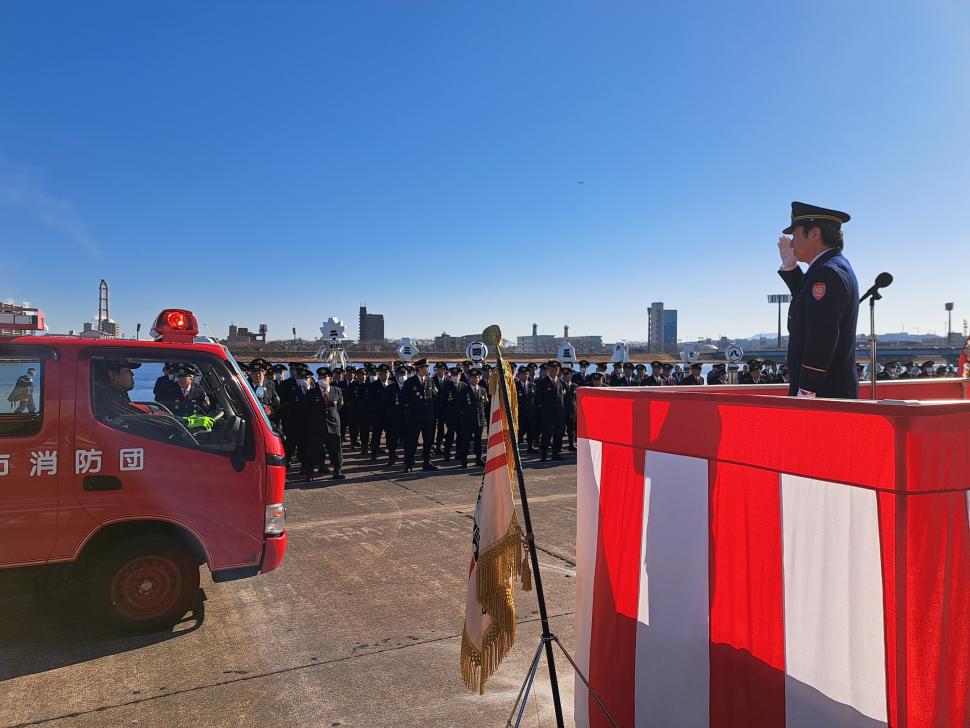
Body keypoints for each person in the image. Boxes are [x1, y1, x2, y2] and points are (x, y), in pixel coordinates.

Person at [777, 201, 859, 398]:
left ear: (814, 234)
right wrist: (790, 268)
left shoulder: (825, 273)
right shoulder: (833, 267)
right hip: (830, 390)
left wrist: (807, 390)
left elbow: (821, 336)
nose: (792, 242)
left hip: (823, 393)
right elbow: (812, 305)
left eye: (795, 235)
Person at [300, 367, 344, 481]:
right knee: (313, 450)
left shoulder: (337, 391)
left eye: (324, 377)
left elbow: (339, 406)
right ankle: (309, 473)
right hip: (316, 427)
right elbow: (305, 409)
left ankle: (337, 470)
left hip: (333, 425)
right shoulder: (311, 393)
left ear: (330, 378)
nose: (322, 379)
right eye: (320, 377)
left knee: (335, 450)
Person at [401, 359, 438, 472]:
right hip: (414, 418)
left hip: (428, 417)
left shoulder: (430, 381)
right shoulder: (409, 382)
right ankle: (409, 464)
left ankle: (427, 462)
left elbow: (434, 396)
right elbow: (404, 399)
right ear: (420, 369)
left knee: (428, 441)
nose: (428, 369)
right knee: (411, 441)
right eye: (426, 367)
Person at [455, 368, 488, 467]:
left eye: (477, 377)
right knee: (466, 441)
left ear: (479, 378)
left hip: (479, 421)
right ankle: (464, 461)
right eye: (473, 377)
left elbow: (485, 404)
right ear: (469, 379)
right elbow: (459, 406)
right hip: (467, 421)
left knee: (478, 442)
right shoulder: (464, 390)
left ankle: (479, 459)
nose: (475, 379)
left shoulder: (483, 390)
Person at [535, 359, 566, 462]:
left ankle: (556, 453)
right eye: (551, 369)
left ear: (558, 370)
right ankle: (543, 454)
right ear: (548, 370)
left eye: (556, 369)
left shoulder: (561, 382)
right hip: (547, 413)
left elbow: (563, 397)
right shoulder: (542, 382)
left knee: (558, 433)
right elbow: (538, 399)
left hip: (559, 413)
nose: (554, 371)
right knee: (546, 434)